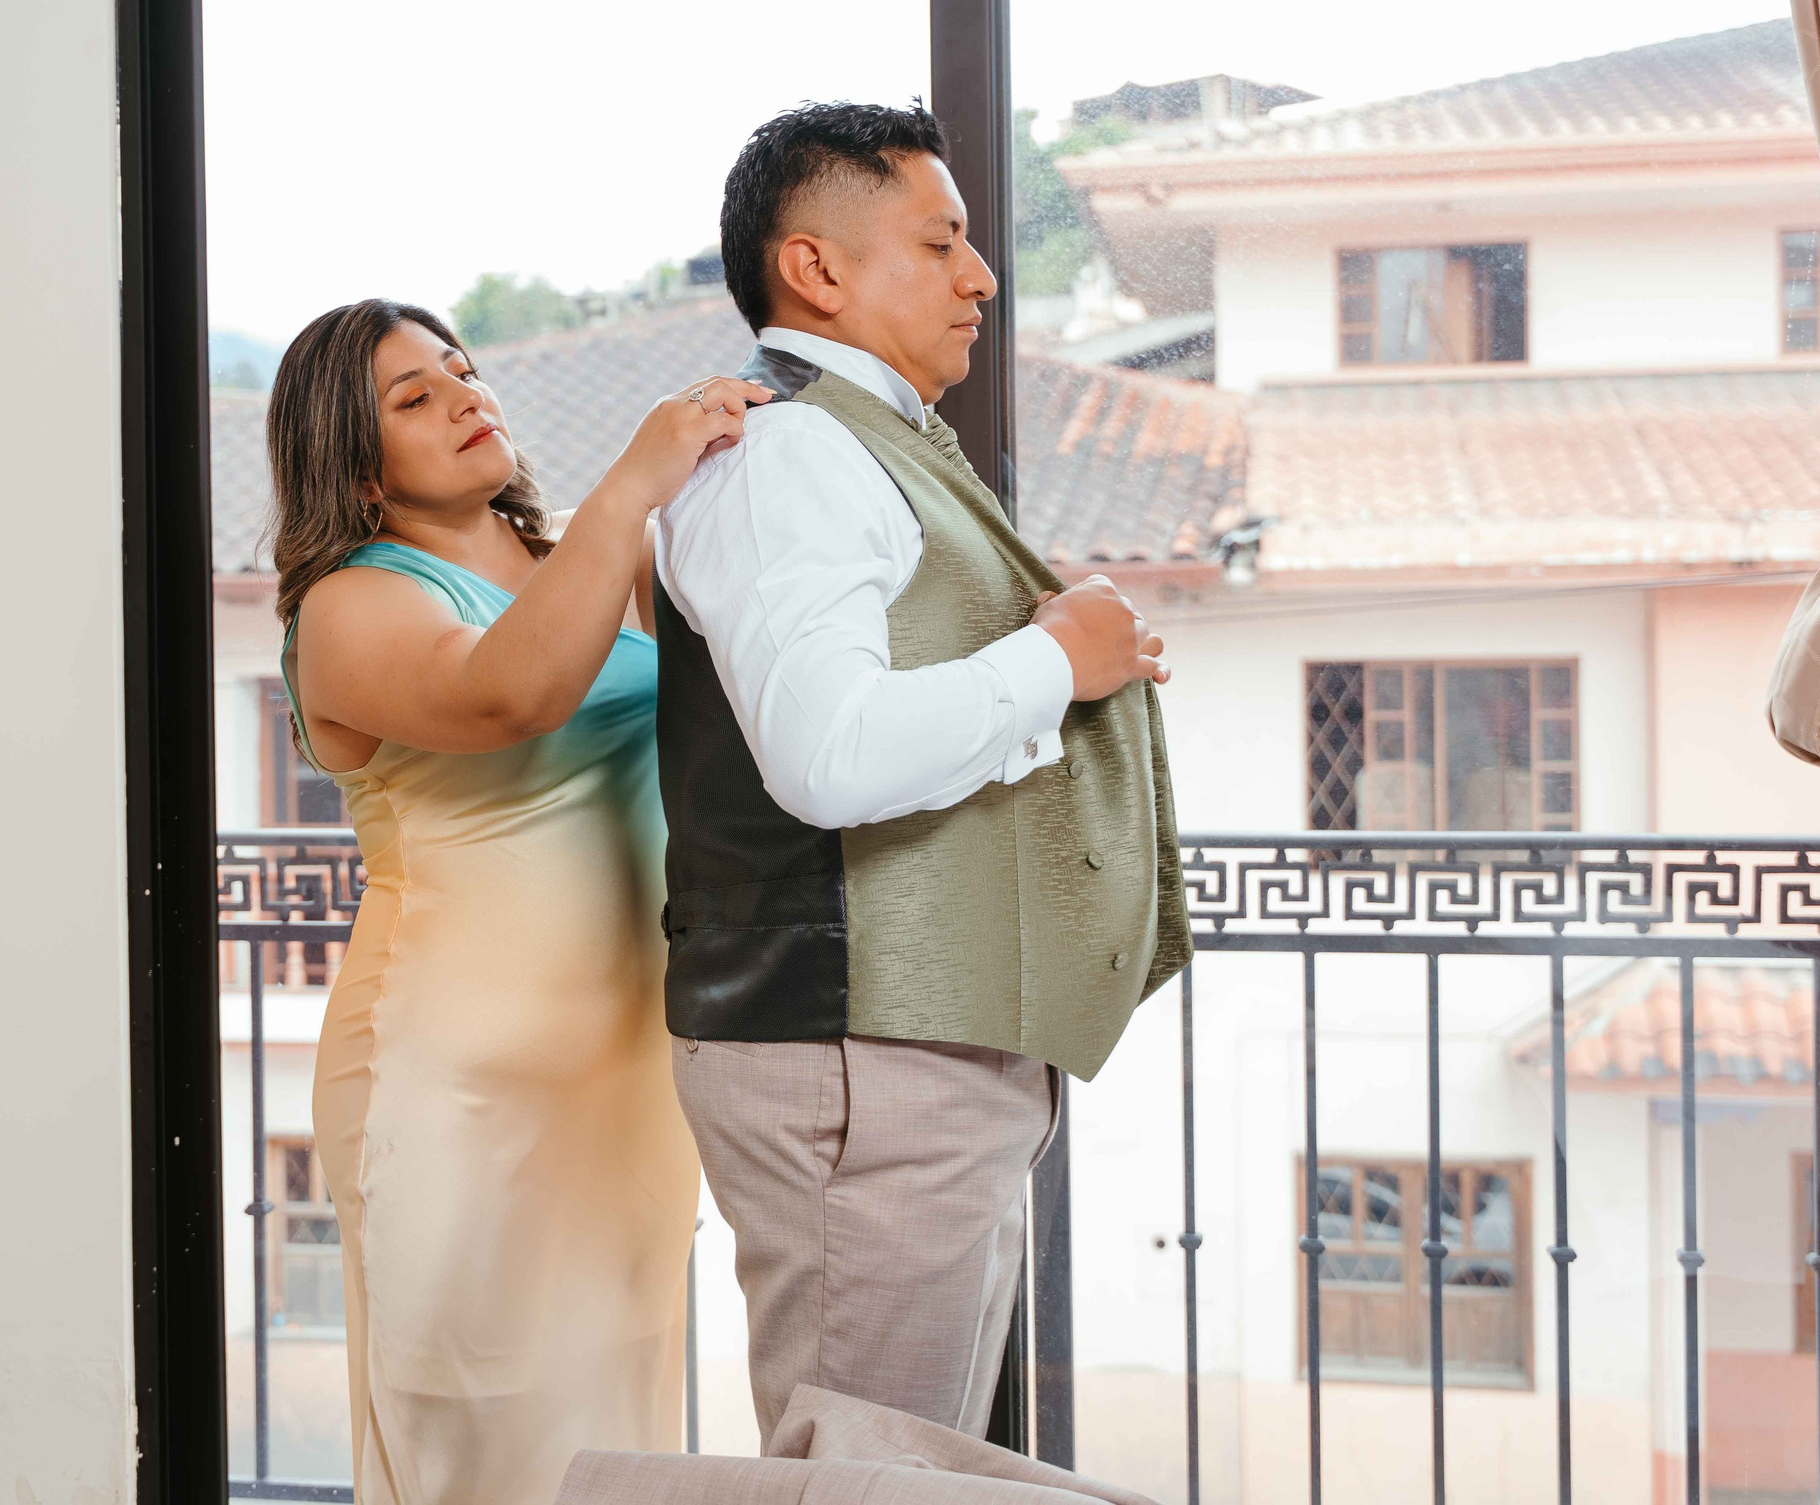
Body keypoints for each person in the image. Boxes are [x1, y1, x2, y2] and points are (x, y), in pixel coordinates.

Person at [655, 103, 1190, 1441]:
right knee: (868, 1472)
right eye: (941, 241)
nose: (983, 277)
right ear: (815, 269)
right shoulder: (791, 450)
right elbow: (829, 755)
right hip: (856, 1053)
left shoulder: (858, 439)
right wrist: (1056, 659)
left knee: (905, 1465)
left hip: (905, 1052)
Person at [269, 298, 773, 1505]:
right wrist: (632, 484)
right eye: (414, 397)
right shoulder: (347, 606)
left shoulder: (577, 563)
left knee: (613, 1447)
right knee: (482, 1452)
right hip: (455, 1085)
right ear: (353, 458)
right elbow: (509, 695)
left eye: (462, 370)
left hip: (624, 1073)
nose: (464, 397)